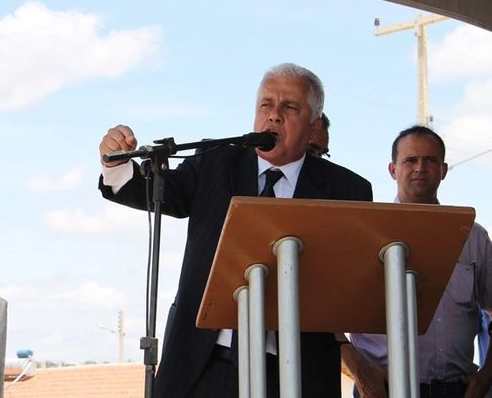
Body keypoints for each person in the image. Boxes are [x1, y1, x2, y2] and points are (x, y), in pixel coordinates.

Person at [98, 62, 373, 398]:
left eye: (289, 107)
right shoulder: (214, 162)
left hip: (298, 372)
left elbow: (350, 286)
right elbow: (159, 192)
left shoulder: (347, 190)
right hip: (206, 365)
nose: (274, 116)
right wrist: (117, 164)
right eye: (266, 104)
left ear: (314, 125)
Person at [343, 125, 492, 398]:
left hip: (458, 390)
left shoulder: (472, 236)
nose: (420, 168)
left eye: (430, 160)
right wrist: (358, 368)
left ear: (444, 170)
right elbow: (326, 320)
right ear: (393, 170)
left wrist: (487, 375)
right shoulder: (363, 234)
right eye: (410, 160)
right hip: (383, 390)